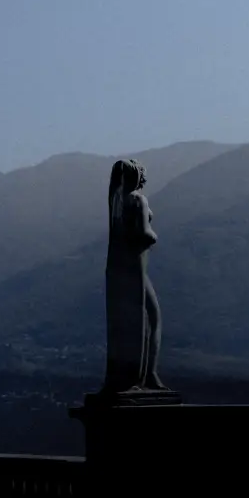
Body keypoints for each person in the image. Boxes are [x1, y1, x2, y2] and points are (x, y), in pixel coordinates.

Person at [103, 158, 165, 392]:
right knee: (152, 317)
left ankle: (127, 375)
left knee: (125, 322)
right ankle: (147, 374)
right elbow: (144, 234)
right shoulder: (138, 200)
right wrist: (156, 236)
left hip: (120, 267)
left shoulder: (117, 202)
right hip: (137, 266)